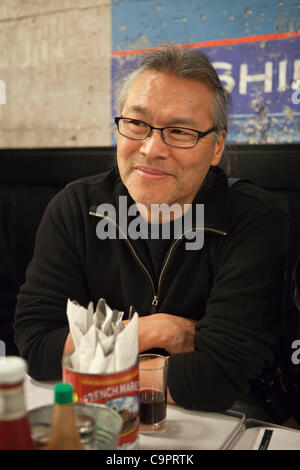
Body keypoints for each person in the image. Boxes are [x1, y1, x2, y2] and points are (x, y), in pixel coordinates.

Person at [14, 46, 289, 420]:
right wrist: (157, 332)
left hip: (220, 419)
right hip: (94, 412)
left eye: (179, 131)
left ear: (216, 147)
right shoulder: (76, 207)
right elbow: (36, 347)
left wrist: (91, 357)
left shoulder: (254, 220)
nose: (151, 147)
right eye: (137, 124)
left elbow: (215, 380)